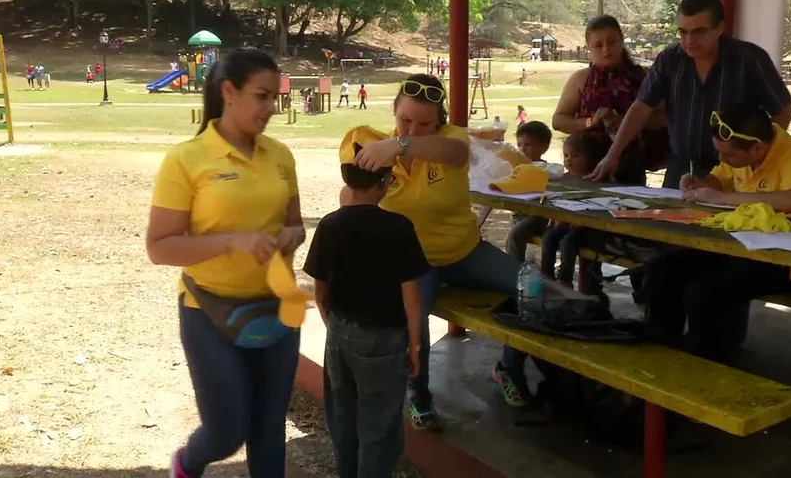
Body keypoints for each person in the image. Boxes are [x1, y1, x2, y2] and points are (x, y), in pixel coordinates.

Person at [145, 48, 305, 478]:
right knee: (227, 430)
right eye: (262, 96)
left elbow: (296, 224)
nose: (272, 108)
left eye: (275, 97)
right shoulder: (187, 159)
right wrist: (232, 241)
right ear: (229, 92)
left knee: (269, 429)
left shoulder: (279, 155)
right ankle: (188, 462)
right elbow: (160, 247)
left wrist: (291, 236)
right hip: (210, 313)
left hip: (278, 308)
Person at [343, 74, 530, 428]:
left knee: (529, 286)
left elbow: (456, 153)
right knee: (415, 322)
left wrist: (399, 145)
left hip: (465, 252)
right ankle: (419, 394)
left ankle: (509, 368)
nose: (413, 130)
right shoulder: (376, 146)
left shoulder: (450, 139)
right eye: (405, 121)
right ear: (394, 112)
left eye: (424, 124)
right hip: (414, 262)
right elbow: (350, 200)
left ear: (439, 121)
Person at [643, 102, 791, 362]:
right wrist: (699, 184)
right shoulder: (737, 150)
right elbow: (717, 180)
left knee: (704, 293)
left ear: (757, 147)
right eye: (720, 154)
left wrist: (722, 197)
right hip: (735, 246)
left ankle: (709, 367)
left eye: (729, 156)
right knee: (662, 271)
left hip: (783, 257)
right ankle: (662, 356)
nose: (723, 160)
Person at [305, 128, 428, 478]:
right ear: (385, 182)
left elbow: (319, 289)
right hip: (384, 339)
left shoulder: (330, 225)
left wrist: (335, 327)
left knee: (343, 418)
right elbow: (412, 295)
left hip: (341, 332)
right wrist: (416, 345)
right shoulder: (399, 228)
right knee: (381, 427)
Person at [587, 0, 791, 189]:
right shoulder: (669, 60)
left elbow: (784, 111)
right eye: (683, 32)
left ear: (720, 28)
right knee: (667, 225)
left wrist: (756, 155)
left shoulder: (749, 59)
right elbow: (641, 107)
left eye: (699, 31)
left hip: (734, 172)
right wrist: (613, 155)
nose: (689, 41)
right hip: (681, 167)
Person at [553, 14, 666, 185]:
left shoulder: (643, 77)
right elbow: (558, 120)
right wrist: (590, 122)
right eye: (598, 45)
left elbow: (665, 116)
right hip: (586, 167)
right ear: (589, 47)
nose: (606, 49)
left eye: (612, 42)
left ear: (621, 41)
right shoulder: (581, 79)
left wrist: (630, 122)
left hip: (631, 167)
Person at [541, 131, 611, 288]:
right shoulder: (564, 179)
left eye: (576, 156)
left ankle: (565, 279)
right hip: (566, 223)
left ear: (590, 158)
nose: (569, 160)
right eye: (566, 155)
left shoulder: (596, 180)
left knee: (568, 243)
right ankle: (547, 276)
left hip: (589, 228)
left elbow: (600, 207)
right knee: (549, 237)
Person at [505, 121, 551, 262]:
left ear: (544, 147)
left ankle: (514, 272)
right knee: (514, 236)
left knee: (514, 236)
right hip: (518, 213)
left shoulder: (546, 170)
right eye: (519, 145)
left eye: (528, 145)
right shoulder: (516, 168)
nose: (522, 150)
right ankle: (516, 268)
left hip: (536, 216)